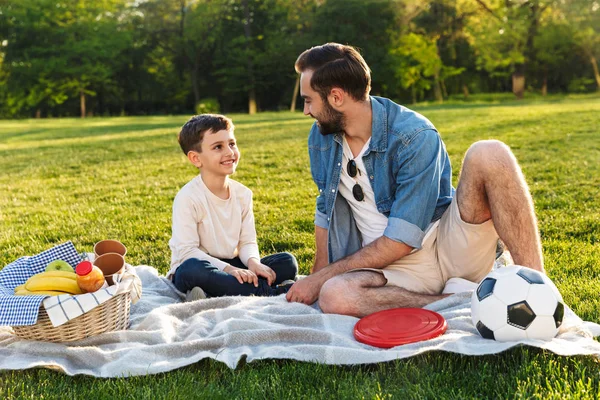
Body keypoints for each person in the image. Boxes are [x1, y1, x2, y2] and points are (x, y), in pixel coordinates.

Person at [285, 43, 544, 317]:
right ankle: (458, 299)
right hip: (395, 271)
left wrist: (322, 277)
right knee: (335, 296)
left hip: (448, 244)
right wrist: (318, 278)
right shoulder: (321, 138)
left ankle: (539, 289)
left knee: (490, 153)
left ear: (336, 97)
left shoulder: (413, 135)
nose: (305, 110)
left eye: (309, 100)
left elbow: (402, 239)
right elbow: (325, 210)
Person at [168, 114, 298, 301]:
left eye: (232, 144)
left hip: (233, 264)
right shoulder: (188, 198)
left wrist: (253, 264)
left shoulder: (243, 194)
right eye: (218, 147)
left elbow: (247, 242)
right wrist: (230, 270)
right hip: (199, 266)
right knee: (191, 270)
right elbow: (187, 252)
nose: (230, 152)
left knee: (287, 262)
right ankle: (270, 292)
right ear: (196, 159)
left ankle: (212, 294)